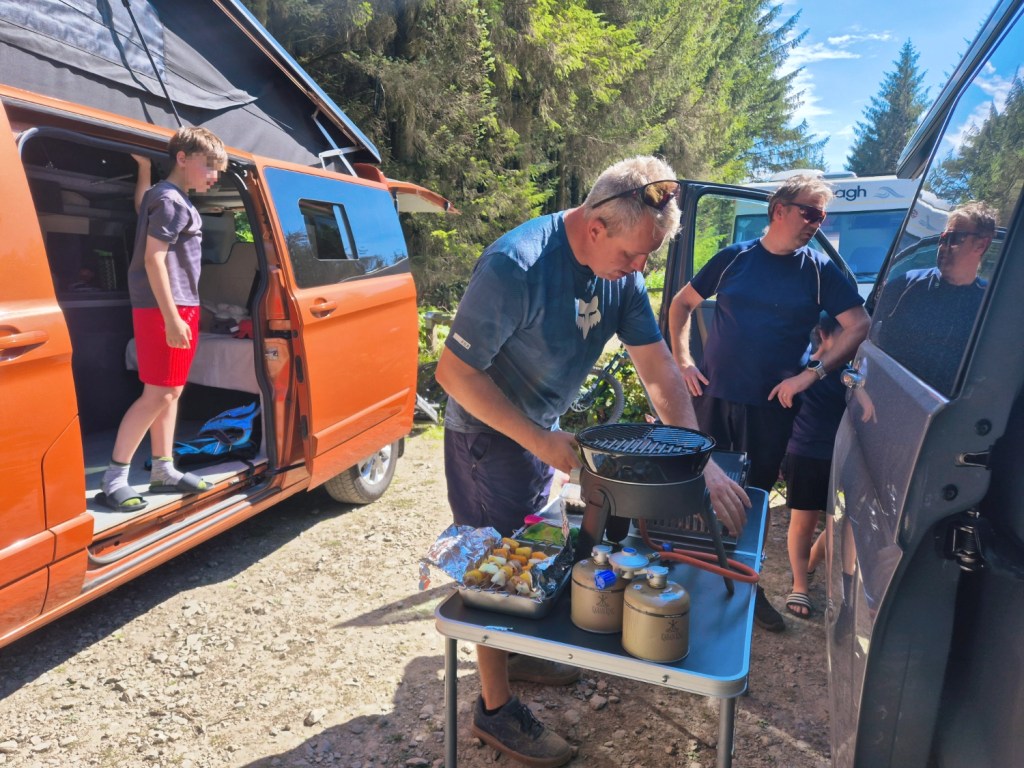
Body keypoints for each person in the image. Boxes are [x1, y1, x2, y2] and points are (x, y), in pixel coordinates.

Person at [435, 156, 750, 767]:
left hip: (539, 429)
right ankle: (493, 709)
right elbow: (454, 373)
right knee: (492, 570)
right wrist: (538, 440)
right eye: (635, 255)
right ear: (597, 224)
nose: (640, 271)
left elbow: (658, 369)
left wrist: (698, 457)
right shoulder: (516, 265)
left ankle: (518, 653)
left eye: (649, 258)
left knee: (535, 551)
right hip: (486, 432)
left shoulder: (622, 276)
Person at [667, 174, 870, 632]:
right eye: (811, 213)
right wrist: (682, 360)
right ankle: (691, 582)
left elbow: (859, 325)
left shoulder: (819, 270)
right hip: (712, 397)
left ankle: (745, 588)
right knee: (698, 491)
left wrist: (812, 374)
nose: (817, 224)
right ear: (779, 209)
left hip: (771, 409)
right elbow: (681, 305)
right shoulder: (733, 258)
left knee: (753, 500)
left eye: (823, 216)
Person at [98, 127, 228, 511]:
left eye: (217, 170)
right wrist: (172, 318)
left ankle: (163, 469)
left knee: (170, 391)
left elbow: (141, 207)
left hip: (173, 304)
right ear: (183, 159)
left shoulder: (163, 196)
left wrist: (142, 170)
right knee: (159, 393)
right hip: (164, 306)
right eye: (209, 167)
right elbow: (154, 258)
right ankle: (114, 479)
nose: (214, 176)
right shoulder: (172, 201)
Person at [872, 201, 997, 394]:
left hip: (952, 411)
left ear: (981, 244)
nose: (943, 246)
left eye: (954, 239)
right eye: (943, 238)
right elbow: (867, 335)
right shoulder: (907, 285)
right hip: (892, 398)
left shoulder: (990, 304)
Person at [781, 315, 847, 619]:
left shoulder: (853, 371)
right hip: (805, 454)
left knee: (838, 525)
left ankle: (809, 563)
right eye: (846, 334)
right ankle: (800, 584)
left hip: (843, 456)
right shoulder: (802, 367)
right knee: (803, 523)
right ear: (823, 334)